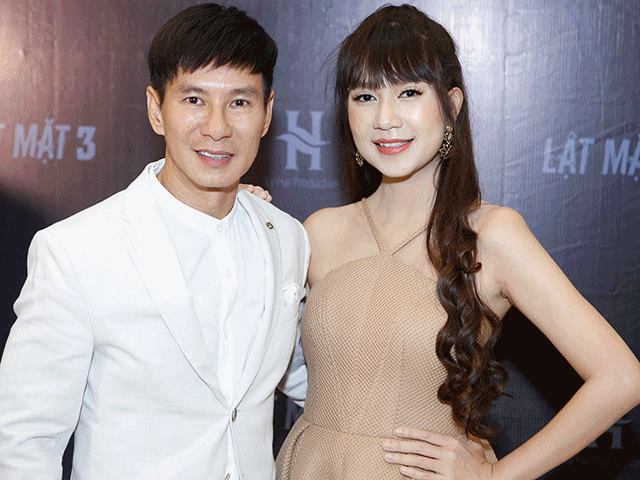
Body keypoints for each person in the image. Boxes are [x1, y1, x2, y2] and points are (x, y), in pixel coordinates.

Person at [275, 4, 640, 479]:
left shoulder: (492, 235)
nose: (385, 118)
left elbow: (621, 377)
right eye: (364, 96)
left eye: (409, 92)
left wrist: (495, 476)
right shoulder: (319, 231)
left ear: (452, 105)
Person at [0, 4, 309, 479]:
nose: (217, 127)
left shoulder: (286, 237)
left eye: (239, 103)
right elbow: (25, 440)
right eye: (194, 100)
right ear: (155, 109)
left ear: (267, 114)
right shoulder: (77, 250)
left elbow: (310, 378)